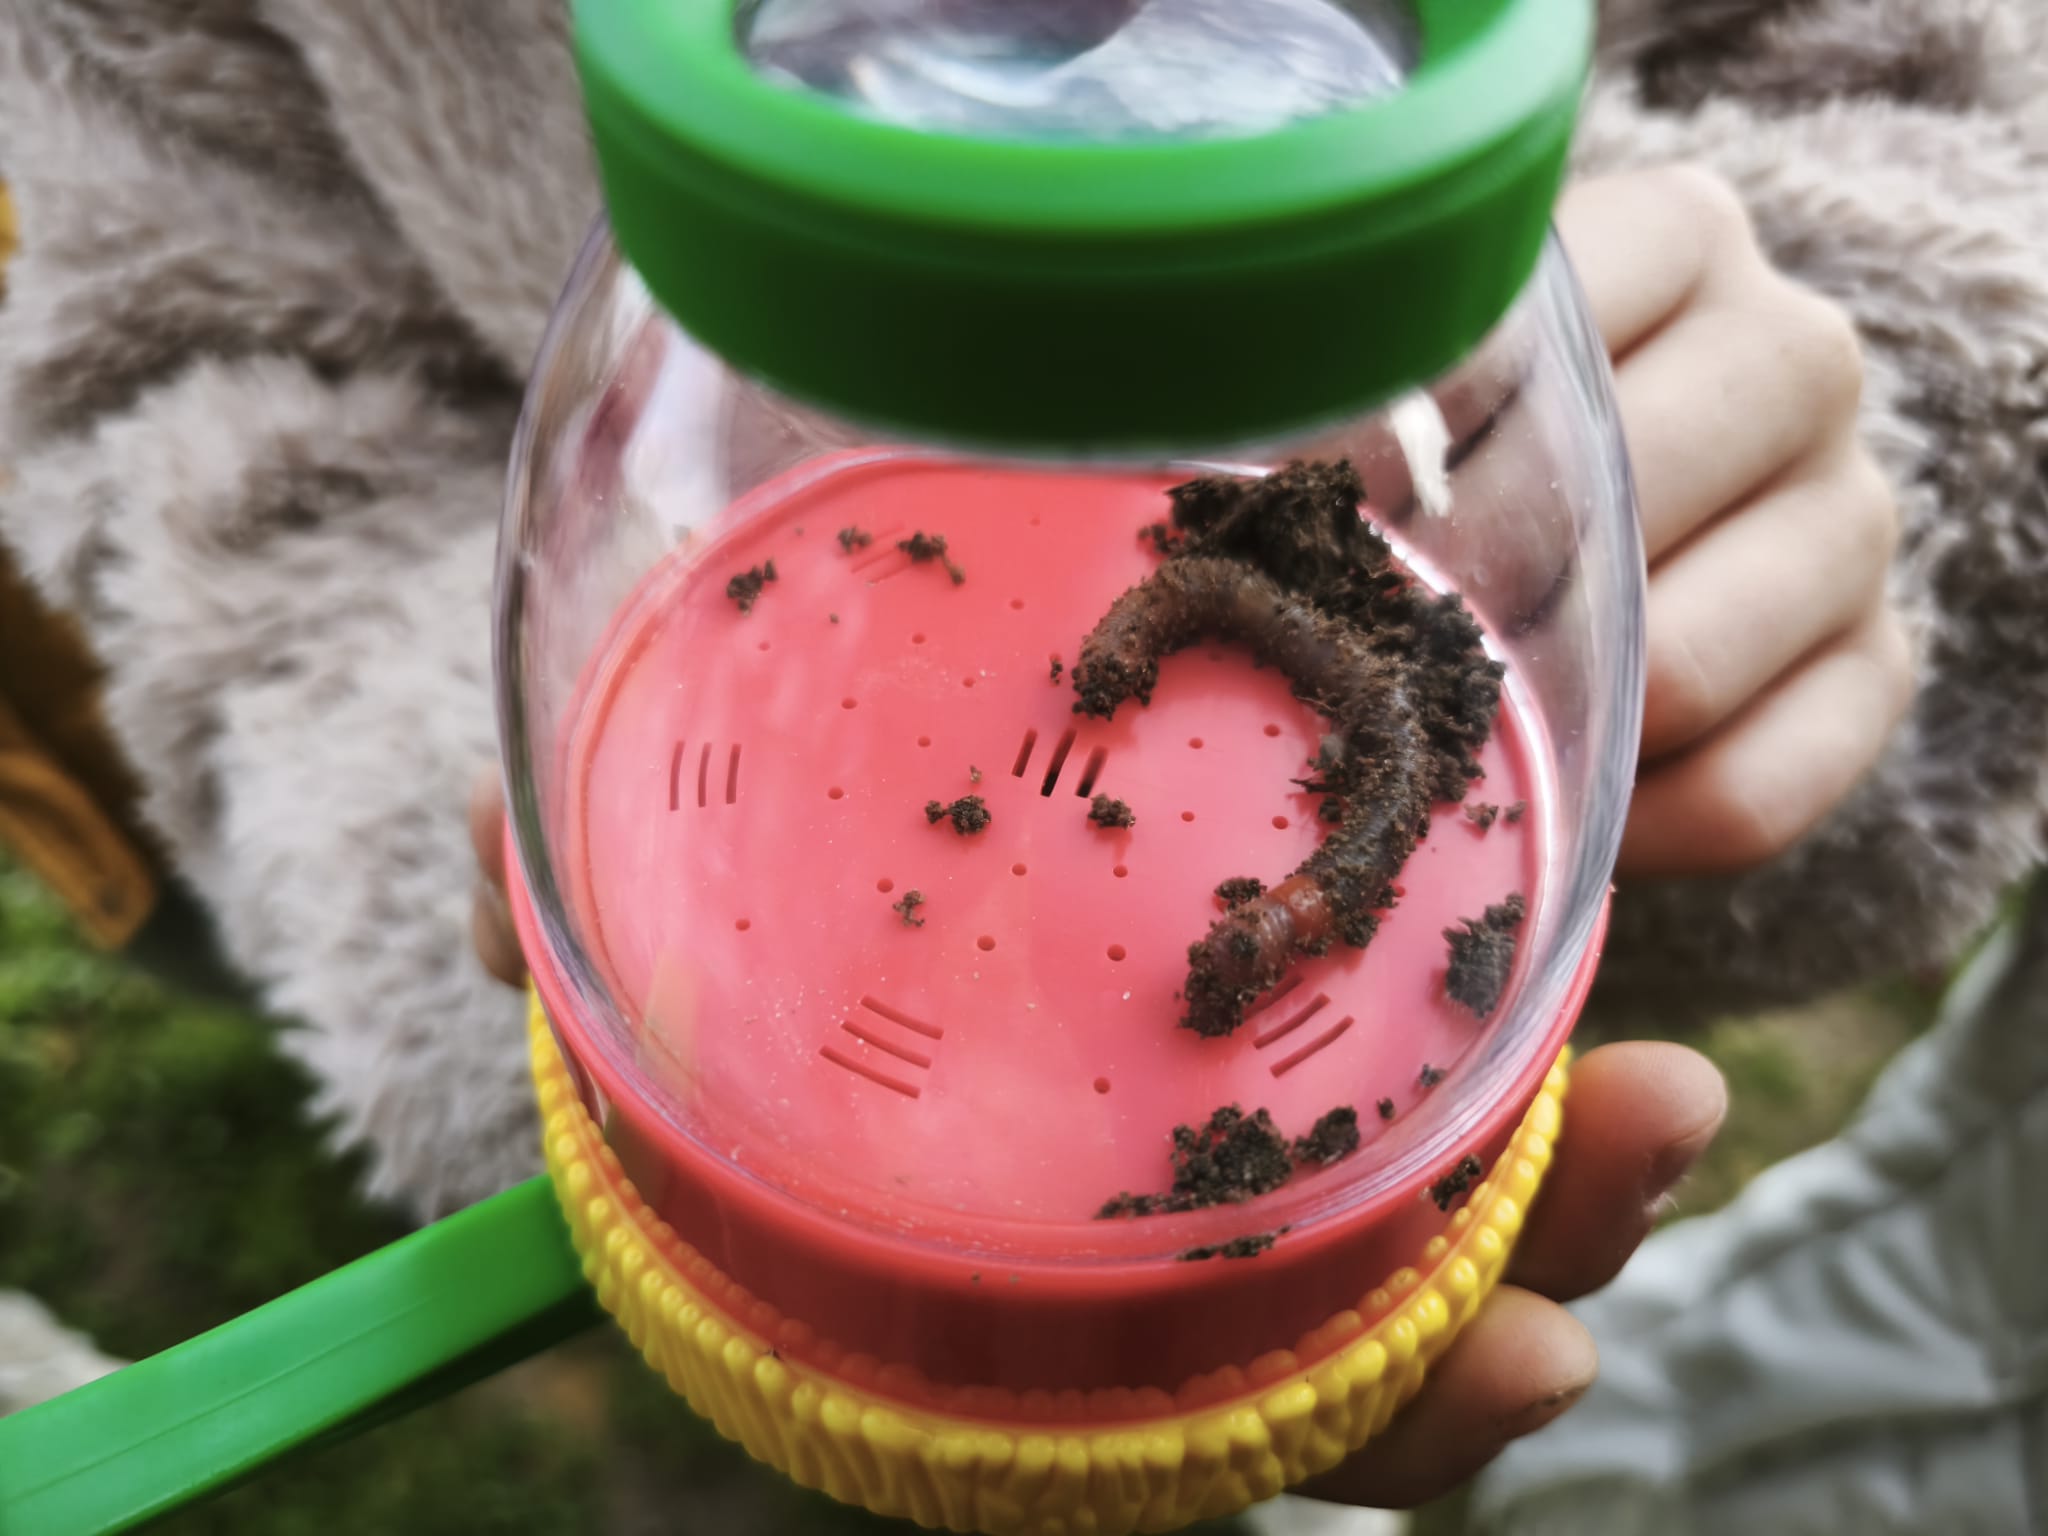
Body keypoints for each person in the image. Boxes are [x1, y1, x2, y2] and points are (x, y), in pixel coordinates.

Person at [2, 0, 2041, 1522]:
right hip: (629, 825)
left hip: (1401, 851)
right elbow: (176, 372)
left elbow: (1954, 107)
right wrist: (517, 801)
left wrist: (1868, 423)